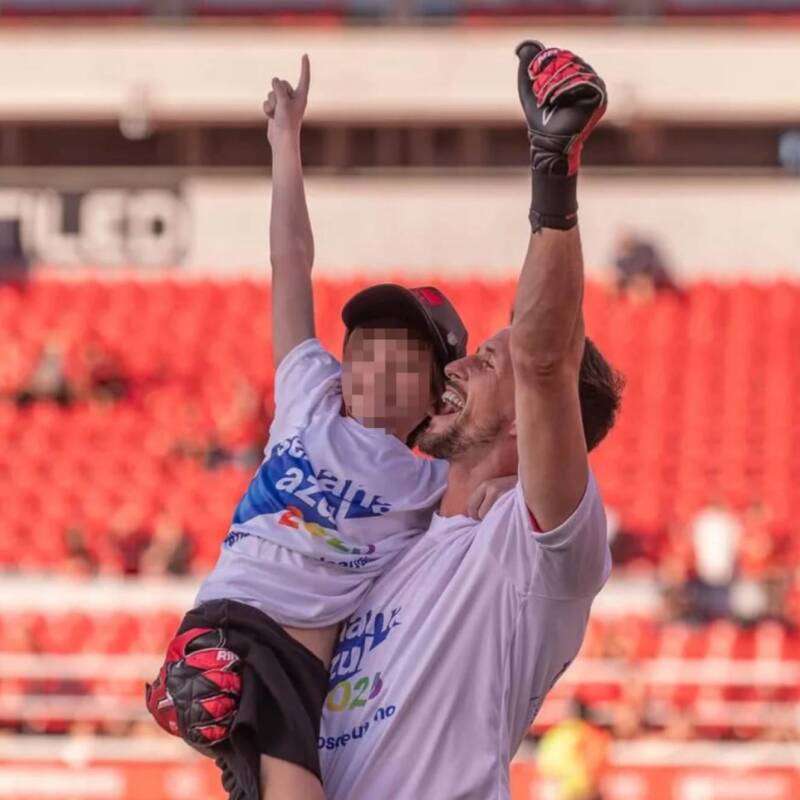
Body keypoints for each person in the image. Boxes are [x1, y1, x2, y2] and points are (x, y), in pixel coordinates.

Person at [145, 55, 507, 800]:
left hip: (305, 666)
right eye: (364, 349)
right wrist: (286, 144)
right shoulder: (308, 394)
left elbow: (496, 486)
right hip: (232, 619)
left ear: (437, 395)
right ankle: (202, 678)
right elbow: (290, 261)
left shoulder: (428, 484)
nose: (375, 365)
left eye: (404, 359)